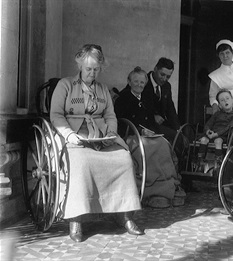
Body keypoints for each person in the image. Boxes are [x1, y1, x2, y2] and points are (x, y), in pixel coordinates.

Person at [50, 44, 144, 242]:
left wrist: (111, 132)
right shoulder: (65, 85)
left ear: (100, 68)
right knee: (81, 162)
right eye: (88, 69)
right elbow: (56, 114)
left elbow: (110, 115)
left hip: (100, 136)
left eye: (96, 69)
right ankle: (76, 219)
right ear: (80, 66)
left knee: (123, 159)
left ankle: (124, 214)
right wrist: (67, 134)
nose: (92, 73)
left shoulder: (102, 89)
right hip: (74, 136)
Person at [114, 66, 185, 208]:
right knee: (146, 149)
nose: (139, 85)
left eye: (142, 82)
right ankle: (148, 192)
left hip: (146, 134)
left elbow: (150, 118)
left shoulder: (146, 97)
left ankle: (166, 188)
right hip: (130, 135)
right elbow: (120, 122)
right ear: (129, 82)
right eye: (136, 81)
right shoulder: (123, 98)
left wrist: (150, 130)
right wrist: (139, 130)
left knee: (163, 144)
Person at [197, 89, 233, 171]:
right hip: (213, 134)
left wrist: (216, 134)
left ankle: (218, 164)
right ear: (220, 105)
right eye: (222, 100)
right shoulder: (217, 114)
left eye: (227, 98)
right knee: (203, 139)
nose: (225, 101)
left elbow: (229, 128)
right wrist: (208, 131)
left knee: (218, 141)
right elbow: (208, 124)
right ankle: (200, 163)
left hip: (226, 136)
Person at [142, 57, 180, 143]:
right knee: (172, 135)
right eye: (162, 74)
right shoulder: (142, 82)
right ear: (155, 69)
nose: (164, 79)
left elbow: (170, 109)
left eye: (168, 77)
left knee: (180, 135)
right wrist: (152, 116)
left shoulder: (166, 86)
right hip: (145, 124)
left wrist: (178, 129)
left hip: (160, 124)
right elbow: (135, 103)